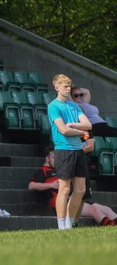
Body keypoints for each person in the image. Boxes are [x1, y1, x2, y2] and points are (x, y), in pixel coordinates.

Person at [28, 147, 117, 227]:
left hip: (73, 198)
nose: (56, 158)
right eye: (53, 156)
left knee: (106, 209)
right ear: (47, 158)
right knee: (93, 209)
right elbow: (31, 185)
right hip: (62, 202)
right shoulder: (43, 171)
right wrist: (51, 185)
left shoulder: (61, 168)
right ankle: (111, 227)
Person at [47, 74, 92, 230]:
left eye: (69, 86)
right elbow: (63, 130)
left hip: (78, 151)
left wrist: (74, 125)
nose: (67, 89)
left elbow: (88, 125)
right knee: (64, 189)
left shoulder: (74, 106)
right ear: (56, 87)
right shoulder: (53, 106)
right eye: (64, 86)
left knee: (80, 189)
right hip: (64, 151)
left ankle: (70, 222)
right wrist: (80, 132)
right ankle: (61, 225)